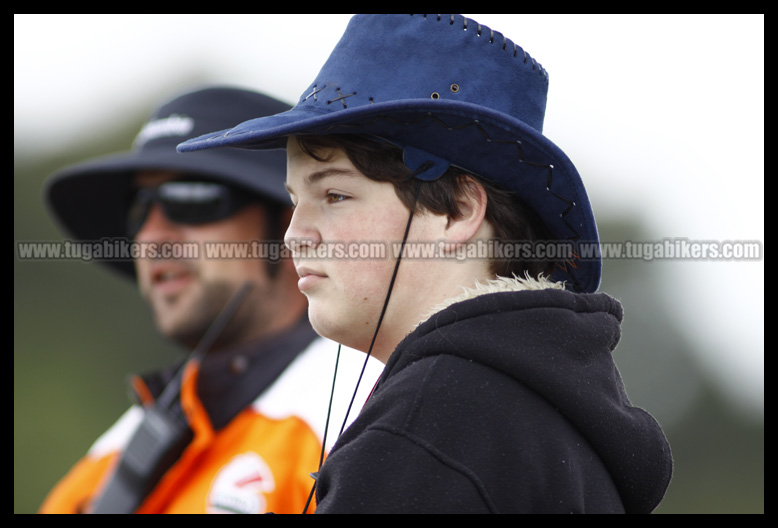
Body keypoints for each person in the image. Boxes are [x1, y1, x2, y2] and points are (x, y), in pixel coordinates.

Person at [178, 15, 673, 514]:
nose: (294, 235)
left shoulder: (432, 424)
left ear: (458, 211)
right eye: (294, 200)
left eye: (334, 194)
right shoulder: (545, 415)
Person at [38, 86, 383, 514]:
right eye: (138, 210)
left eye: (191, 199)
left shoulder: (370, 409)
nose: (151, 237)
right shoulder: (110, 457)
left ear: (290, 226)